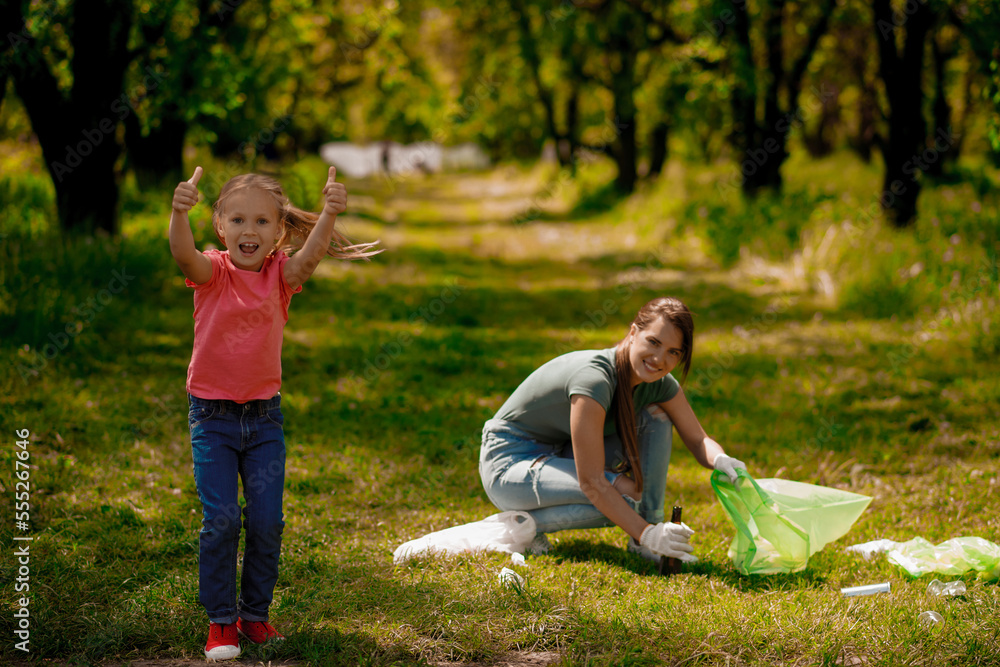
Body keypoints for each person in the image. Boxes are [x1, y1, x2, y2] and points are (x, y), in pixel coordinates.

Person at [169, 165, 379, 660]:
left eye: (262, 222)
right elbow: (182, 253)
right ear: (220, 225)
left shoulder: (279, 277)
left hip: (263, 421)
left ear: (279, 232)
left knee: (266, 522)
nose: (249, 231)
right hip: (213, 418)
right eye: (238, 220)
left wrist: (328, 212)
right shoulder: (213, 271)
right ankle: (221, 622)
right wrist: (179, 214)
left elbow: (309, 261)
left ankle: (255, 617)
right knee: (220, 519)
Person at [479, 297, 747, 565]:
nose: (658, 359)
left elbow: (698, 438)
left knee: (657, 417)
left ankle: (644, 536)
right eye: (653, 342)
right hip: (509, 463)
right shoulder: (594, 379)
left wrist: (721, 460)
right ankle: (520, 526)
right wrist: (647, 532)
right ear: (633, 333)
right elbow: (592, 481)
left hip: (557, 453)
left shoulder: (657, 382)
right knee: (622, 501)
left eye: (673, 352)